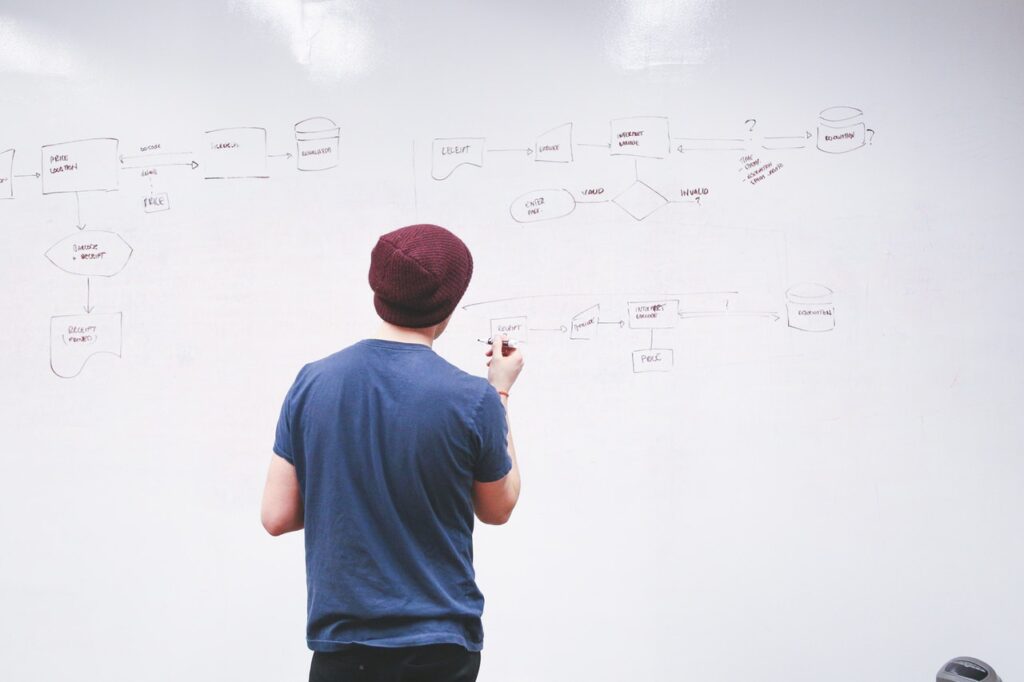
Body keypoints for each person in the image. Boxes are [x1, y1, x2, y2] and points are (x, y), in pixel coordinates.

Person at [260, 223, 523, 682]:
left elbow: (277, 515)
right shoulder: (471, 399)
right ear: (450, 303)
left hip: (342, 647)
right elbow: (497, 508)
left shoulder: (312, 383)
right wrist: (498, 393)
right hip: (438, 648)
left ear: (377, 288)